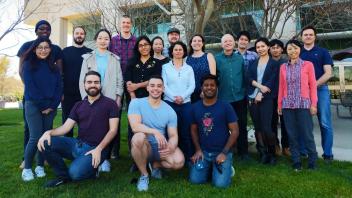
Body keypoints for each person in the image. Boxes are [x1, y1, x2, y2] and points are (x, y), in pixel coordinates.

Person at [37, 71, 119, 187]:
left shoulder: (110, 104)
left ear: (100, 85)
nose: (93, 85)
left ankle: (91, 169)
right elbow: (66, 127)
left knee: (75, 174)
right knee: (45, 143)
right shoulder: (79, 105)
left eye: (96, 82)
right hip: (77, 145)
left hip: (97, 149)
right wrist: (48, 132)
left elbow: (113, 130)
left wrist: (99, 149)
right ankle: (62, 177)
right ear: (84, 84)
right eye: (89, 82)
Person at [17, 19, 63, 169]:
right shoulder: (27, 53)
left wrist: (52, 104)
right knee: (32, 132)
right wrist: (42, 103)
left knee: (45, 134)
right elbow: (25, 77)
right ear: (36, 31)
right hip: (33, 99)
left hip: (50, 103)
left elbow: (58, 81)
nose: (44, 31)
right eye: (41, 28)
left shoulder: (55, 54)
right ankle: (27, 160)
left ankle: (41, 162)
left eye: (47, 29)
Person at [128, 75, 185, 192]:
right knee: (138, 137)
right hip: (144, 145)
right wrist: (154, 131)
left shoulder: (170, 110)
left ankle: (155, 165)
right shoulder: (136, 103)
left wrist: (171, 146)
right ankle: (144, 175)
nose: (156, 89)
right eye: (152, 85)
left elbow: (173, 135)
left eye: (159, 86)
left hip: (160, 146)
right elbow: (135, 126)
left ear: (163, 89)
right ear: (147, 88)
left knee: (178, 162)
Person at [79, 28, 124, 172]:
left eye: (106, 38)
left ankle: (104, 159)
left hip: (110, 98)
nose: (103, 41)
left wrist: (118, 99)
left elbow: (119, 81)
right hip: (91, 98)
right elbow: (82, 81)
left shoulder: (114, 59)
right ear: (96, 40)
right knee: (93, 127)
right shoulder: (87, 58)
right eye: (100, 38)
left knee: (108, 129)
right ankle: (90, 155)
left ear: (109, 41)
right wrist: (85, 100)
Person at [189, 74, 239, 188]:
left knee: (220, 185)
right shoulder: (195, 107)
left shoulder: (226, 106)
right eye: (206, 85)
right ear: (201, 88)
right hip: (204, 152)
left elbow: (235, 131)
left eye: (212, 85)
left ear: (217, 88)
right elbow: (193, 130)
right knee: (195, 180)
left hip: (222, 152)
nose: (209, 87)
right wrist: (197, 150)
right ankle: (210, 168)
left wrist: (224, 153)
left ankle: (227, 168)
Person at [278, 39, 318, 171]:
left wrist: (314, 104)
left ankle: (312, 159)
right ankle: (296, 161)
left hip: (303, 104)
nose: (292, 51)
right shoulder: (283, 67)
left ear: (299, 49)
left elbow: (313, 86)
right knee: (292, 135)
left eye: (295, 48)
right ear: (286, 51)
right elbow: (281, 87)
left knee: (307, 134)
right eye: (289, 49)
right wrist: (279, 105)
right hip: (287, 105)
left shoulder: (308, 65)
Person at [300, 25, 334, 162]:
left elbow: (328, 73)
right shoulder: (298, 52)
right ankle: (304, 152)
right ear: (301, 37)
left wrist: (313, 85)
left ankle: (327, 154)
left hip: (321, 90)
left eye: (310, 34)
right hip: (302, 92)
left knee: (325, 122)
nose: (308, 36)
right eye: (305, 34)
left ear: (314, 36)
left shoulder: (323, 52)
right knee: (303, 122)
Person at [125, 35, 162, 149]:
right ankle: (134, 157)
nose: (143, 47)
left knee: (148, 125)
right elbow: (127, 80)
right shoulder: (132, 61)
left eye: (146, 44)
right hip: (134, 98)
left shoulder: (156, 63)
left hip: (150, 98)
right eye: (140, 45)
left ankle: (150, 154)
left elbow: (154, 79)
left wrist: (137, 85)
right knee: (134, 126)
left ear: (150, 46)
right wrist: (132, 96)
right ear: (137, 48)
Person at [215, 34, 248, 161]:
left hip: (239, 97)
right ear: (222, 44)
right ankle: (225, 151)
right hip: (224, 98)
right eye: (225, 41)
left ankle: (243, 152)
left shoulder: (240, 59)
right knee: (223, 127)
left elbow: (244, 76)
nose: (228, 43)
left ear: (234, 43)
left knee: (241, 125)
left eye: (230, 41)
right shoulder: (216, 59)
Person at [247, 37, 279, 165]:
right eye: (258, 47)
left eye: (263, 46)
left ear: (268, 47)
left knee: (267, 127)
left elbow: (272, 81)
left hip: (267, 99)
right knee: (258, 127)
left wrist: (261, 94)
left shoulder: (274, 64)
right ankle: (262, 152)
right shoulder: (253, 63)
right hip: (252, 98)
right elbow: (248, 77)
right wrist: (259, 87)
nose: (260, 49)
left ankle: (272, 153)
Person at [162, 41, 195, 163]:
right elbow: (164, 85)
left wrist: (182, 97)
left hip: (186, 103)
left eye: (180, 49)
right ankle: (168, 157)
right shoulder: (165, 67)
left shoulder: (189, 68)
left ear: (184, 52)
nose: (178, 51)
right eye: (176, 49)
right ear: (172, 52)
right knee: (170, 131)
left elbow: (192, 85)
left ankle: (188, 158)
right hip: (169, 103)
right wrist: (173, 97)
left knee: (185, 131)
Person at [109, 15, 137, 159]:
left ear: (131, 25)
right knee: (116, 115)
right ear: (120, 25)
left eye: (128, 22)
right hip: (116, 81)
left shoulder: (136, 40)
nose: (126, 24)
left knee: (134, 116)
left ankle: (134, 149)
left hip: (132, 81)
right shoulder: (113, 41)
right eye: (123, 22)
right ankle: (115, 150)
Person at [62, 26, 92, 137]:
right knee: (67, 124)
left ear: (85, 36)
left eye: (81, 33)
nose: (79, 35)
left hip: (85, 94)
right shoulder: (65, 51)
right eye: (77, 33)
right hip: (68, 95)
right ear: (73, 35)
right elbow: (60, 73)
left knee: (85, 124)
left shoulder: (90, 53)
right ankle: (67, 149)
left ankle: (83, 149)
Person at [269, 39, 290, 156]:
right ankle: (275, 145)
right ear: (269, 49)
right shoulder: (267, 62)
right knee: (272, 123)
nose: (275, 50)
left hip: (285, 97)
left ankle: (286, 146)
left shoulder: (287, 62)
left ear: (282, 49)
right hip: (271, 96)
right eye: (273, 47)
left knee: (286, 122)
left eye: (278, 47)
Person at [186, 34, 216, 102]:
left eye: (199, 41)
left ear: (202, 44)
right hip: (190, 94)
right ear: (191, 43)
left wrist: (205, 91)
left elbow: (213, 76)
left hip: (206, 92)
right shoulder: (187, 59)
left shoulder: (209, 56)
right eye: (194, 41)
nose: (197, 43)